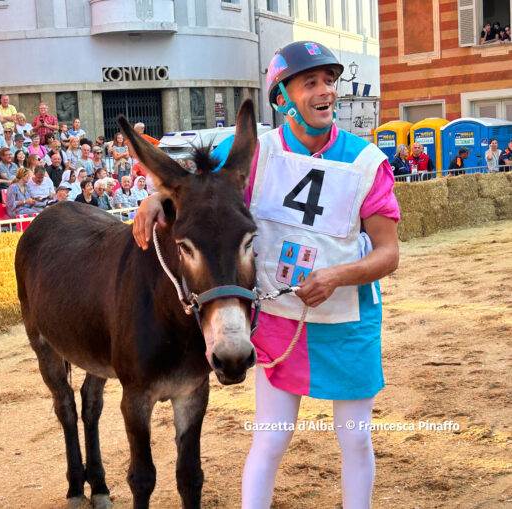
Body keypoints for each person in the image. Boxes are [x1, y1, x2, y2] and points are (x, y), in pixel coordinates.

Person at [134, 40, 400, 509]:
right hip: (278, 317)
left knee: (355, 440)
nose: (326, 92)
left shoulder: (366, 162)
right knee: (271, 440)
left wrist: (337, 276)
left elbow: (388, 254)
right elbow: (186, 183)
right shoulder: (251, 152)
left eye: (330, 82)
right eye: (310, 83)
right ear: (282, 97)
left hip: (349, 320)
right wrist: (156, 199)